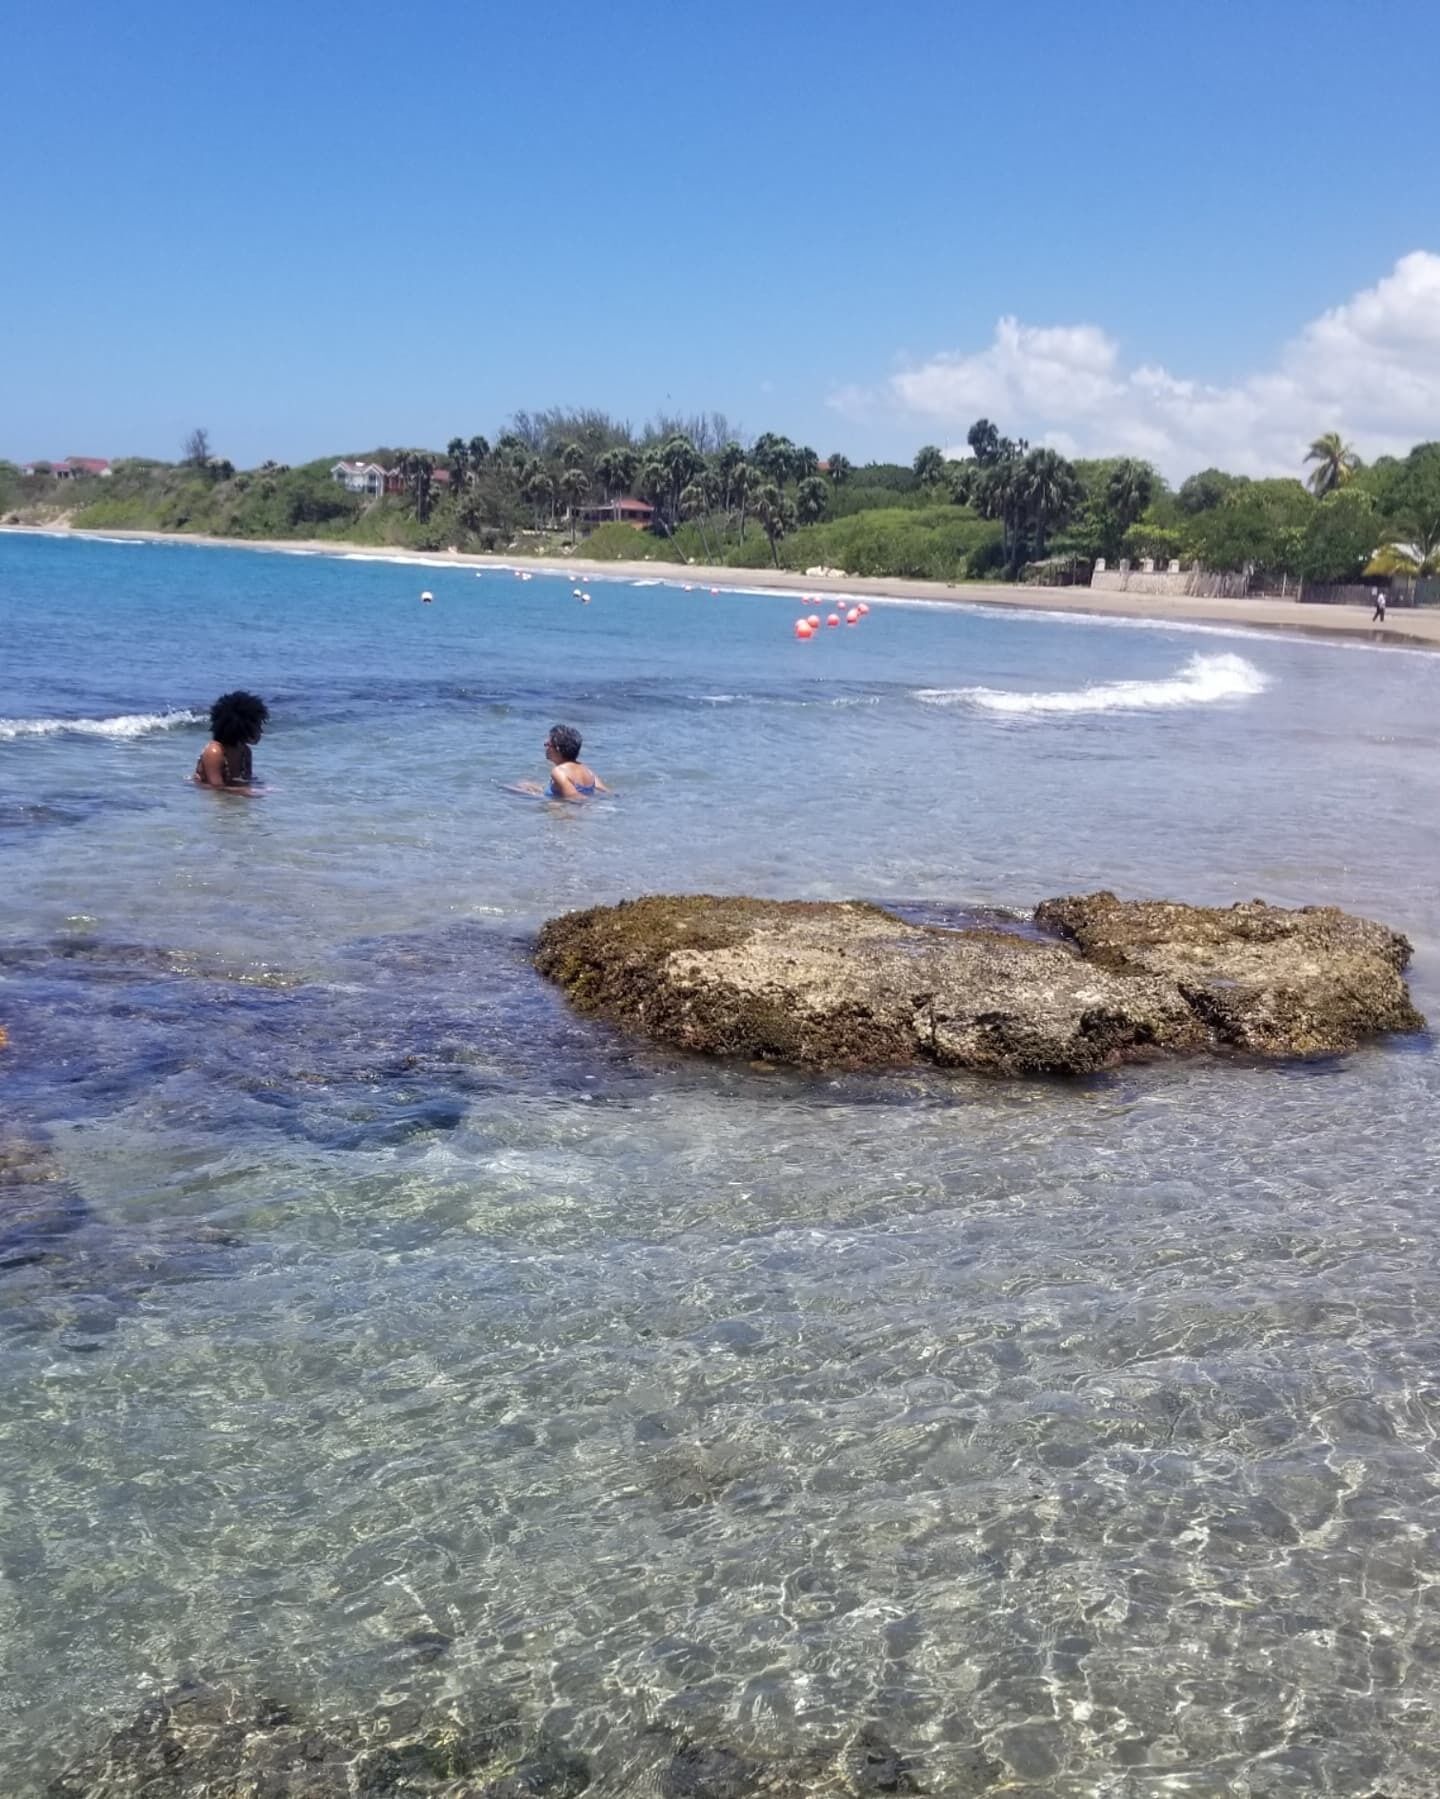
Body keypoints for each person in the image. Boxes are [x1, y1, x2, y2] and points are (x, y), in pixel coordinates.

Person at [194, 690, 268, 790]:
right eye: (258, 727)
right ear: (241, 728)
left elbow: (247, 780)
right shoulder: (214, 752)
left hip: (229, 793)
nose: (261, 731)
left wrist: (263, 788)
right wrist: (247, 792)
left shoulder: (245, 751)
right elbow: (216, 787)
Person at [514, 724, 607, 800]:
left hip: (563, 817)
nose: (545, 746)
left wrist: (532, 796)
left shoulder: (559, 771)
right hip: (570, 806)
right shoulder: (586, 769)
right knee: (524, 785)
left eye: (548, 744)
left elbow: (575, 798)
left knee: (508, 789)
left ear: (557, 749)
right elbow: (606, 792)